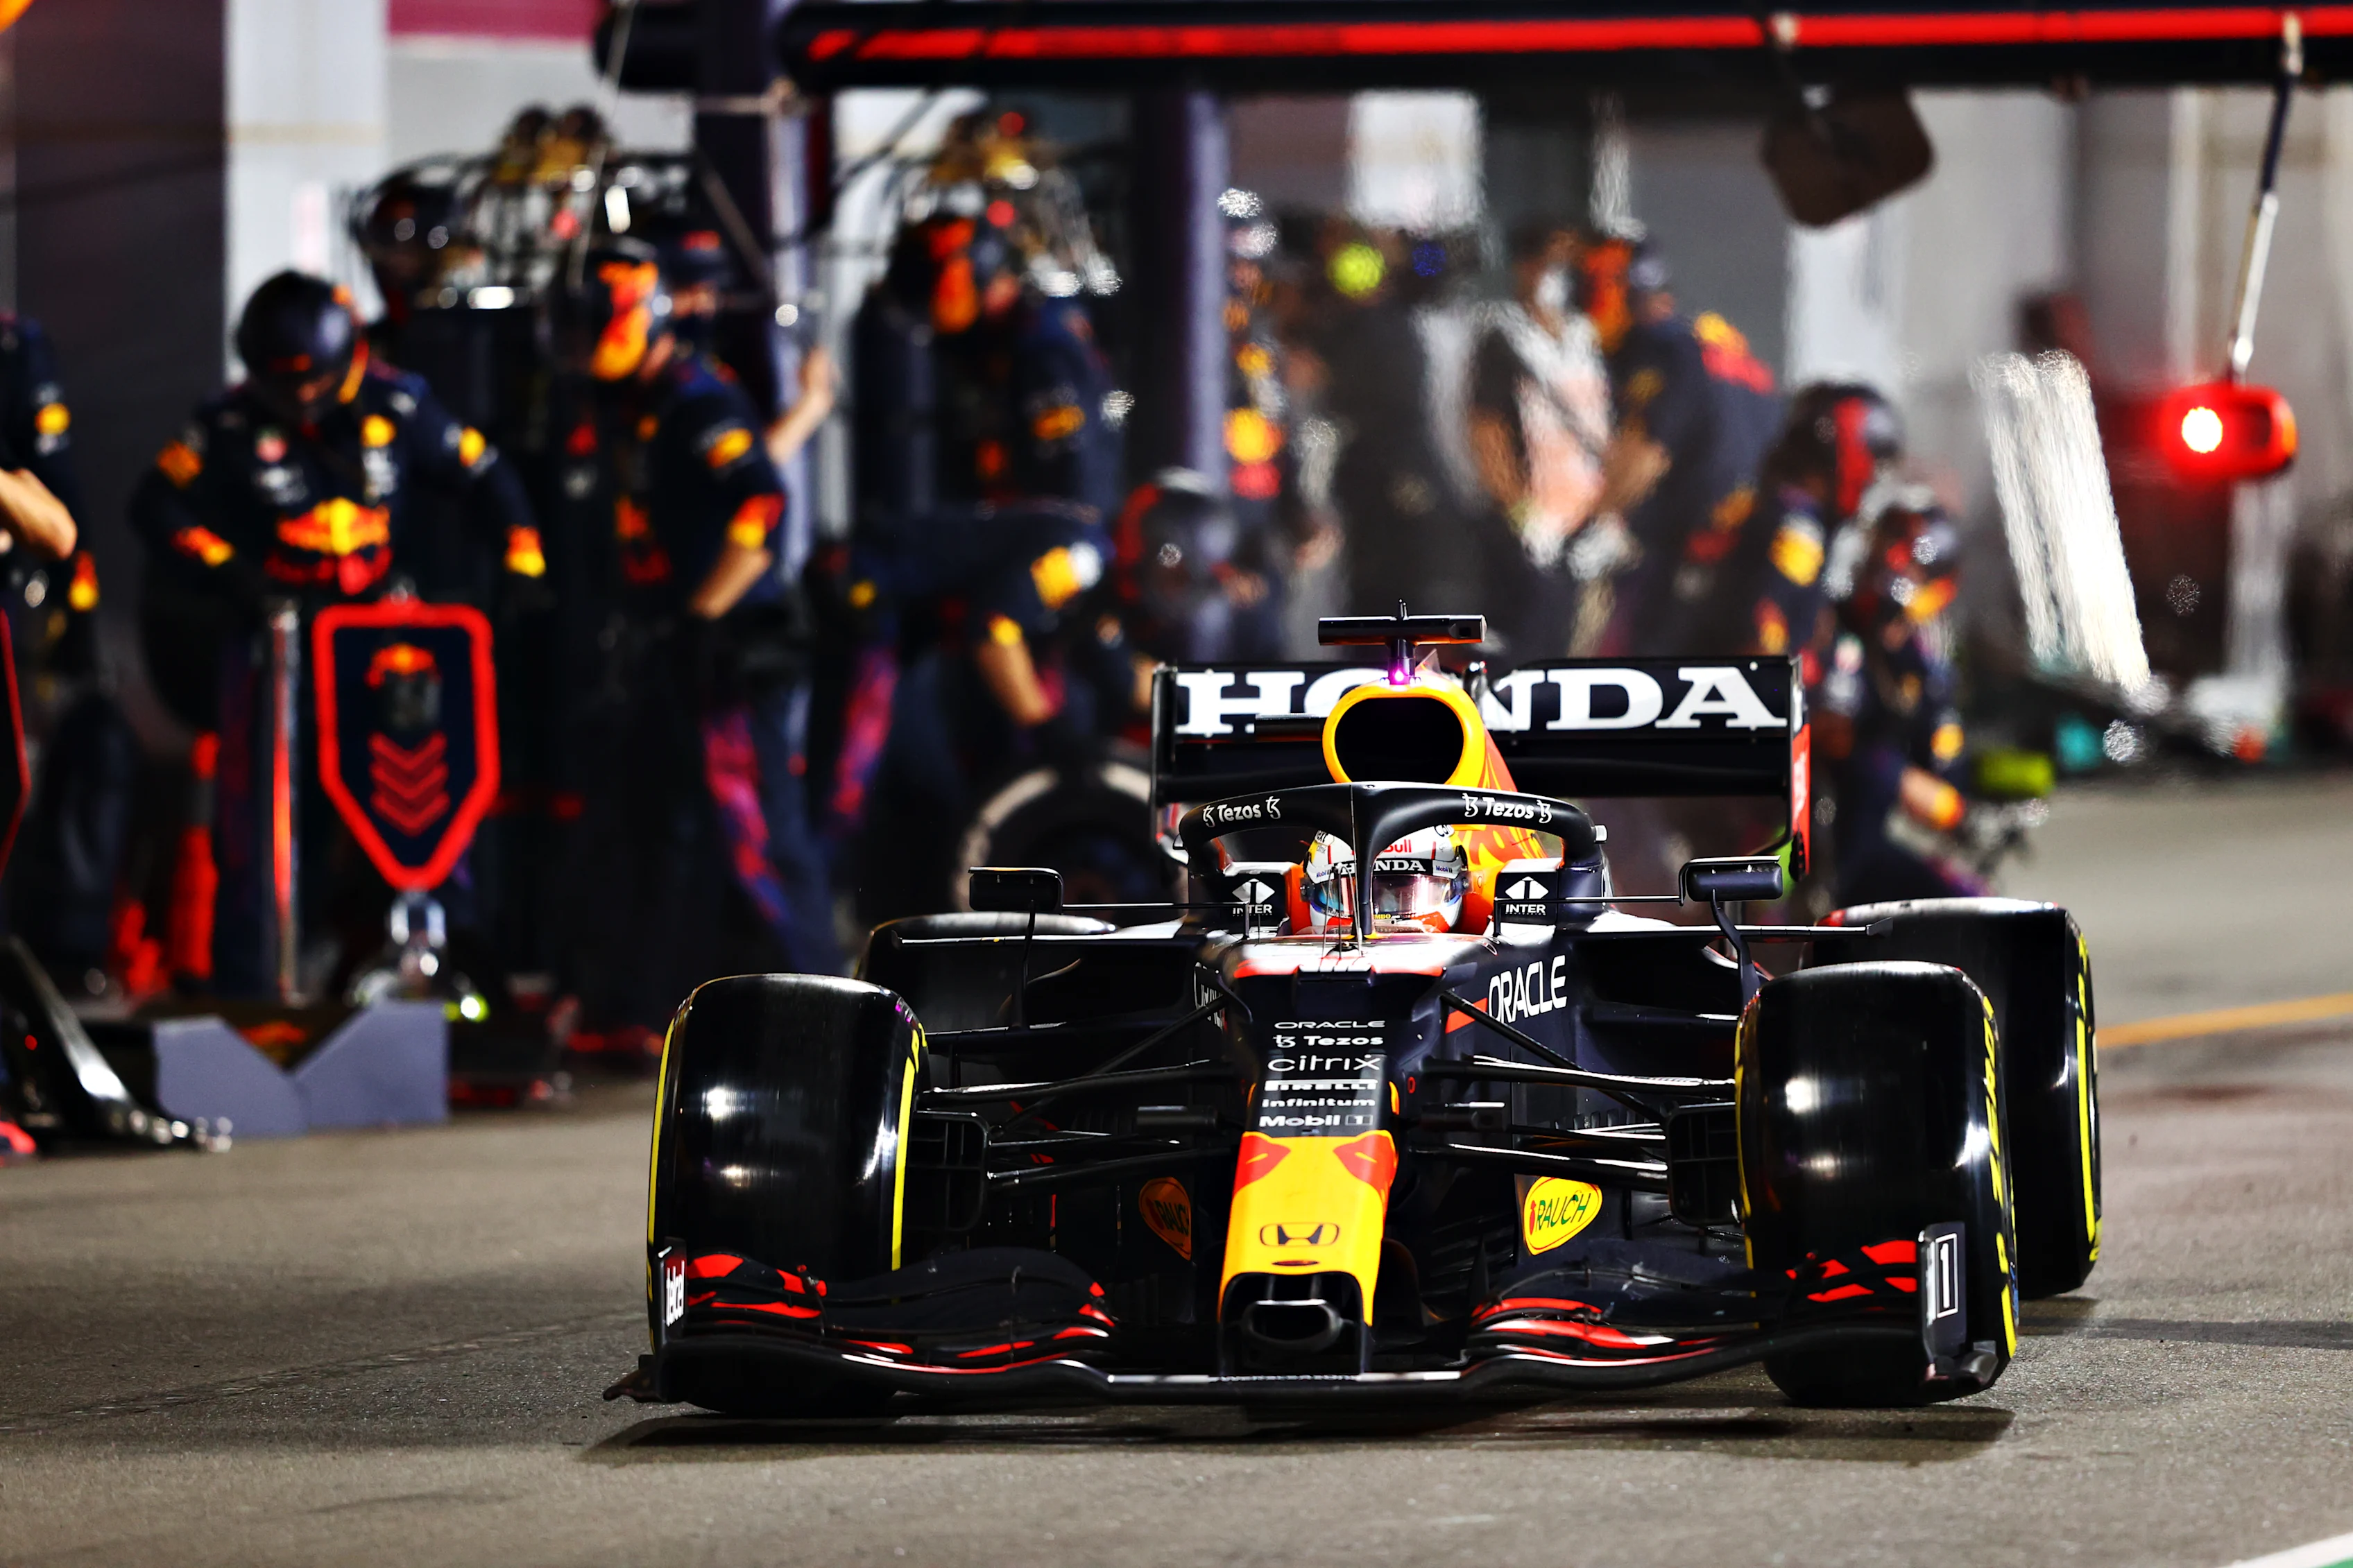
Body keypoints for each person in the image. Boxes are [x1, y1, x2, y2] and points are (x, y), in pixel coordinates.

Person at [128, 270, 545, 997]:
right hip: (274, 643)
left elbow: (489, 478)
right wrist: (233, 572)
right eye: (281, 382)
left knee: (417, 805)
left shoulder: (399, 402)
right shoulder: (226, 421)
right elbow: (155, 505)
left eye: (312, 380)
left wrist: (521, 561)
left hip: (377, 648)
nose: (299, 397)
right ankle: (254, 982)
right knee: (257, 823)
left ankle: (436, 963)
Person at [554, 241, 839, 1038]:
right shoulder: (630, 400)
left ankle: (831, 1016)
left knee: (759, 836)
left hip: (729, 651)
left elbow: (762, 507)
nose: (577, 346)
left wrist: (702, 615)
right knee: (658, 830)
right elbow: (739, 469)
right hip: (666, 646)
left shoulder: (694, 397)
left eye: (589, 327)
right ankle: (646, 1007)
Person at [1574, 236, 1781, 656]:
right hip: (1754, 543)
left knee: (1645, 677)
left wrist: (1589, 527)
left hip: (1694, 544)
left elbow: (1647, 454)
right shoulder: (1719, 342)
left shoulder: (1660, 348)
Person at [1813, 496, 1984, 904]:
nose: (1888, 564)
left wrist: (1962, 807)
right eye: (1886, 550)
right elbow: (1827, 734)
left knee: (1971, 904)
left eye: (1903, 558)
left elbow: (1944, 774)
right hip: (1806, 844)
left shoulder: (1924, 663)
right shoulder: (1833, 629)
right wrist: (1899, 779)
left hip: (1866, 849)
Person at [1465, 222, 1614, 658]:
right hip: (1535, 529)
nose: (1560, 274)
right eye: (1551, 262)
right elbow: (1486, 430)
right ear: (1525, 268)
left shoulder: (1586, 336)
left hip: (1587, 528)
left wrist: (1609, 515)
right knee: (1528, 649)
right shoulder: (1504, 336)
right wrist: (1520, 512)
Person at [1701, 383, 1904, 660]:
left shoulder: (1765, 498)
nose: (1871, 483)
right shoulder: (1801, 532)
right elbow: (1760, 648)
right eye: (1874, 469)